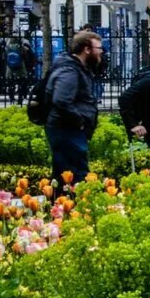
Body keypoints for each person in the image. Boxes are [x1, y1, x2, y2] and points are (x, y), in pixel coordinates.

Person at [42, 31, 104, 190]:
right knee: (76, 175)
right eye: (99, 48)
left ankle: (61, 208)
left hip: (68, 129)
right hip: (67, 129)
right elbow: (61, 100)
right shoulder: (69, 70)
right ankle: (73, 210)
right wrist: (80, 121)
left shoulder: (75, 67)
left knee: (64, 175)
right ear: (87, 49)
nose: (102, 51)